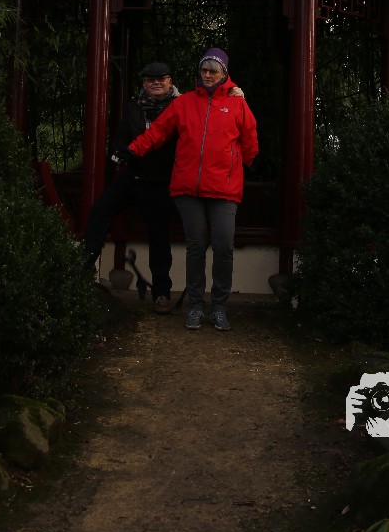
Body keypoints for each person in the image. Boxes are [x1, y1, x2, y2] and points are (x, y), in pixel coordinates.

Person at [125, 47, 258, 332]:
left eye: (213, 71)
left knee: (223, 246)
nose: (207, 75)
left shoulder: (237, 104)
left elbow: (250, 142)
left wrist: (239, 166)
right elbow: (158, 132)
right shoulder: (184, 102)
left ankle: (219, 307)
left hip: (224, 190)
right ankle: (196, 306)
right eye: (204, 70)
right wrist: (133, 149)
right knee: (196, 247)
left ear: (224, 73)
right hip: (188, 188)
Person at [83, 61, 180, 314]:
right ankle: (81, 274)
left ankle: (161, 293)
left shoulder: (181, 106)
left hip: (160, 181)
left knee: (159, 237)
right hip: (133, 176)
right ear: (144, 84)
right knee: (100, 210)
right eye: (150, 79)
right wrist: (119, 151)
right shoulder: (134, 106)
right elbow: (121, 138)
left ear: (170, 81)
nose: (156, 83)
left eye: (161, 78)